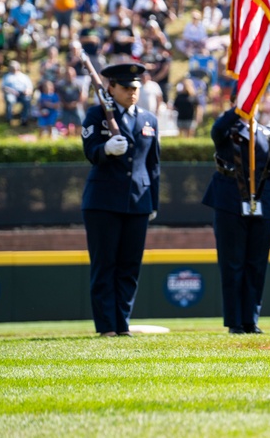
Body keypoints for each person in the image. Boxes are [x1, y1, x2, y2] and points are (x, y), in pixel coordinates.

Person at [80, 63, 160, 337]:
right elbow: (90, 151)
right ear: (110, 88)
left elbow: (153, 166)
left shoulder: (149, 120)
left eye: (135, 88)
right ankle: (106, 326)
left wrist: (154, 203)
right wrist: (105, 149)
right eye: (126, 88)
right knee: (105, 265)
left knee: (129, 266)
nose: (132, 93)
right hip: (103, 201)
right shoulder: (96, 114)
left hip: (138, 200)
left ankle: (122, 323)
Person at [202, 91, 270, 334]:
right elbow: (217, 130)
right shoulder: (226, 130)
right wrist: (238, 109)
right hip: (230, 203)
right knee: (233, 264)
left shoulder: (268, 134)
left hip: (263, 204)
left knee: (256, 264)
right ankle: (235, 321)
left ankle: (251, 319)